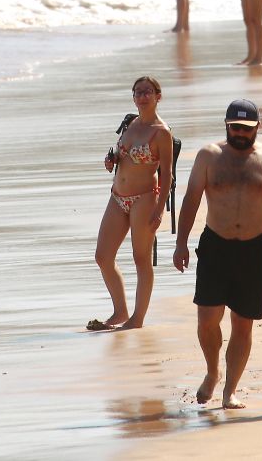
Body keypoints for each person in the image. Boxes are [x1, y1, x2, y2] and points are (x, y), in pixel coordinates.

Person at [172, 99, 262, 409]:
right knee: (207, 320)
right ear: (226, 125)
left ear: (257, 128)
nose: (240, 134)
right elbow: (191, 199)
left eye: (246, 129)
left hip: (255, 248)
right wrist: (181, 242)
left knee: (242, 323)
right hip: (216, 246)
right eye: (235, 128)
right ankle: (213, 371)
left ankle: (230, 391)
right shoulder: (209, 156)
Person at [89, 76, 174, 331]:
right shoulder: (129, 124)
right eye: (138, 92)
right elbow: (120, 157)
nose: (142, 96)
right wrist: (111, 161)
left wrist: (160, 210)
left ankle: (136, 319)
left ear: (158, 96)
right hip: (117, 197)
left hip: (144, 199)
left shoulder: (161, 133)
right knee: (103, 256)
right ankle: (120, 311)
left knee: (141, 259)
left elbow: (166, 174)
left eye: (148, 91)